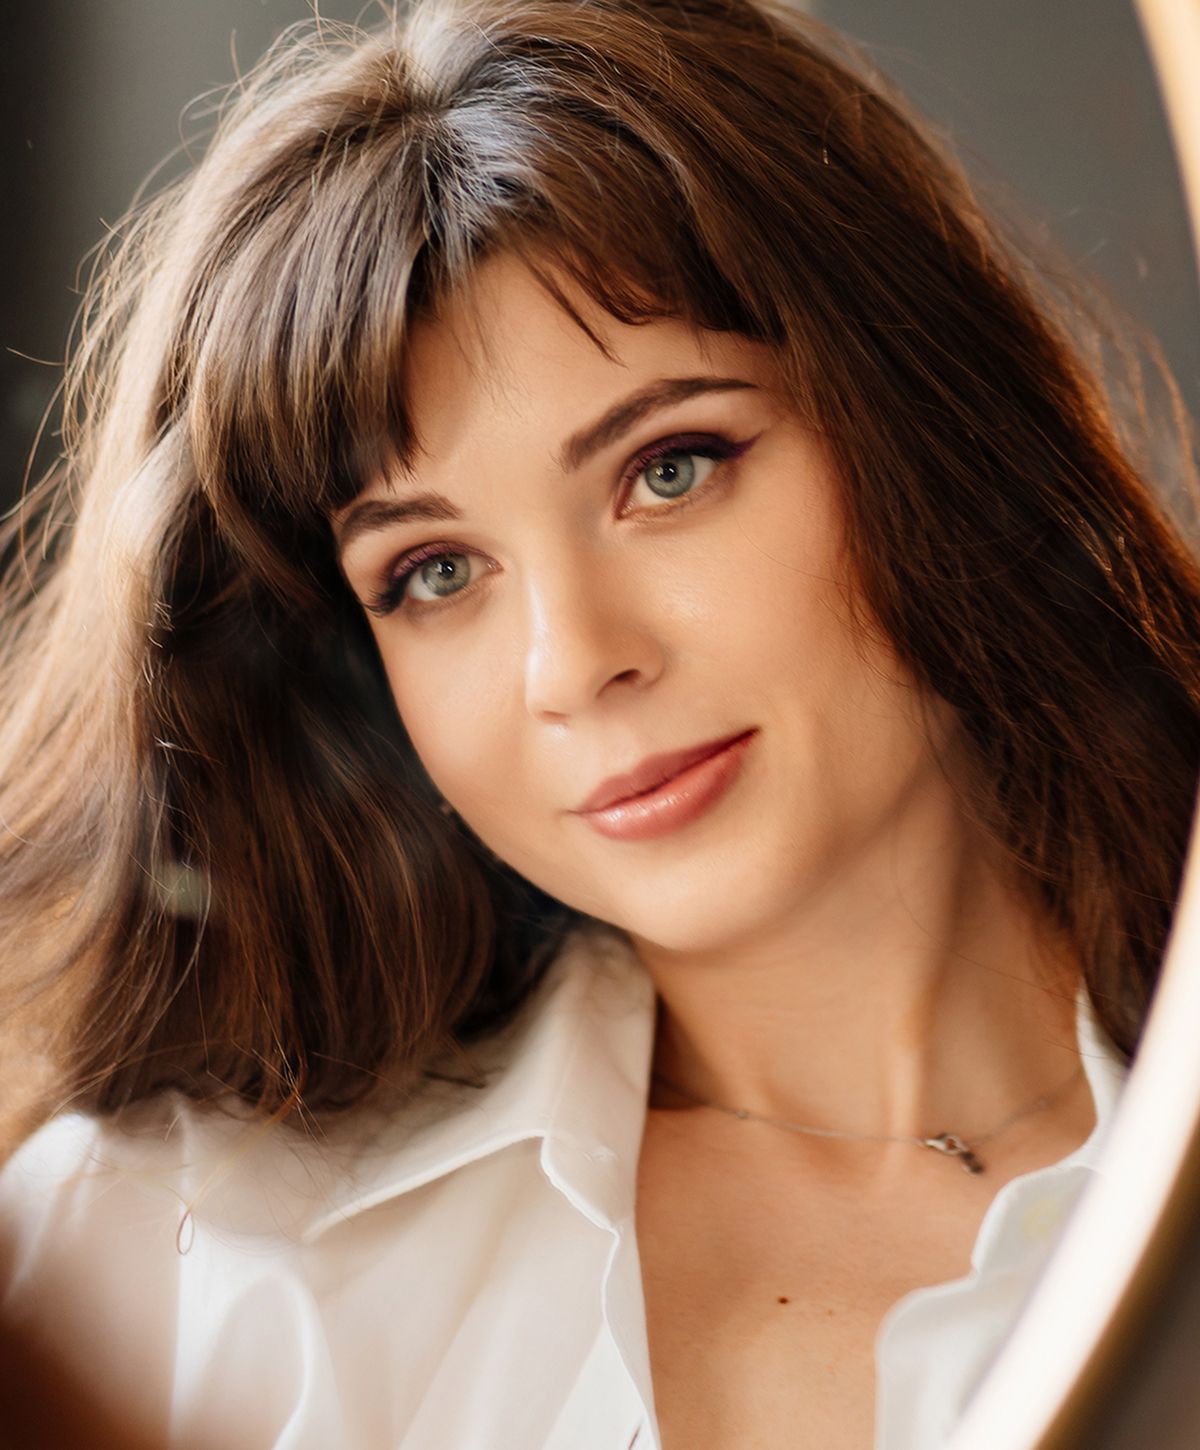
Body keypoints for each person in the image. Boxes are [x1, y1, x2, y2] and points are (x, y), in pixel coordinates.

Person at [0, 0, 1197, 1445]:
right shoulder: (170, 1257)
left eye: (671, 468)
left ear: (917, 423)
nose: (574, 664)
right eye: (433, 573)